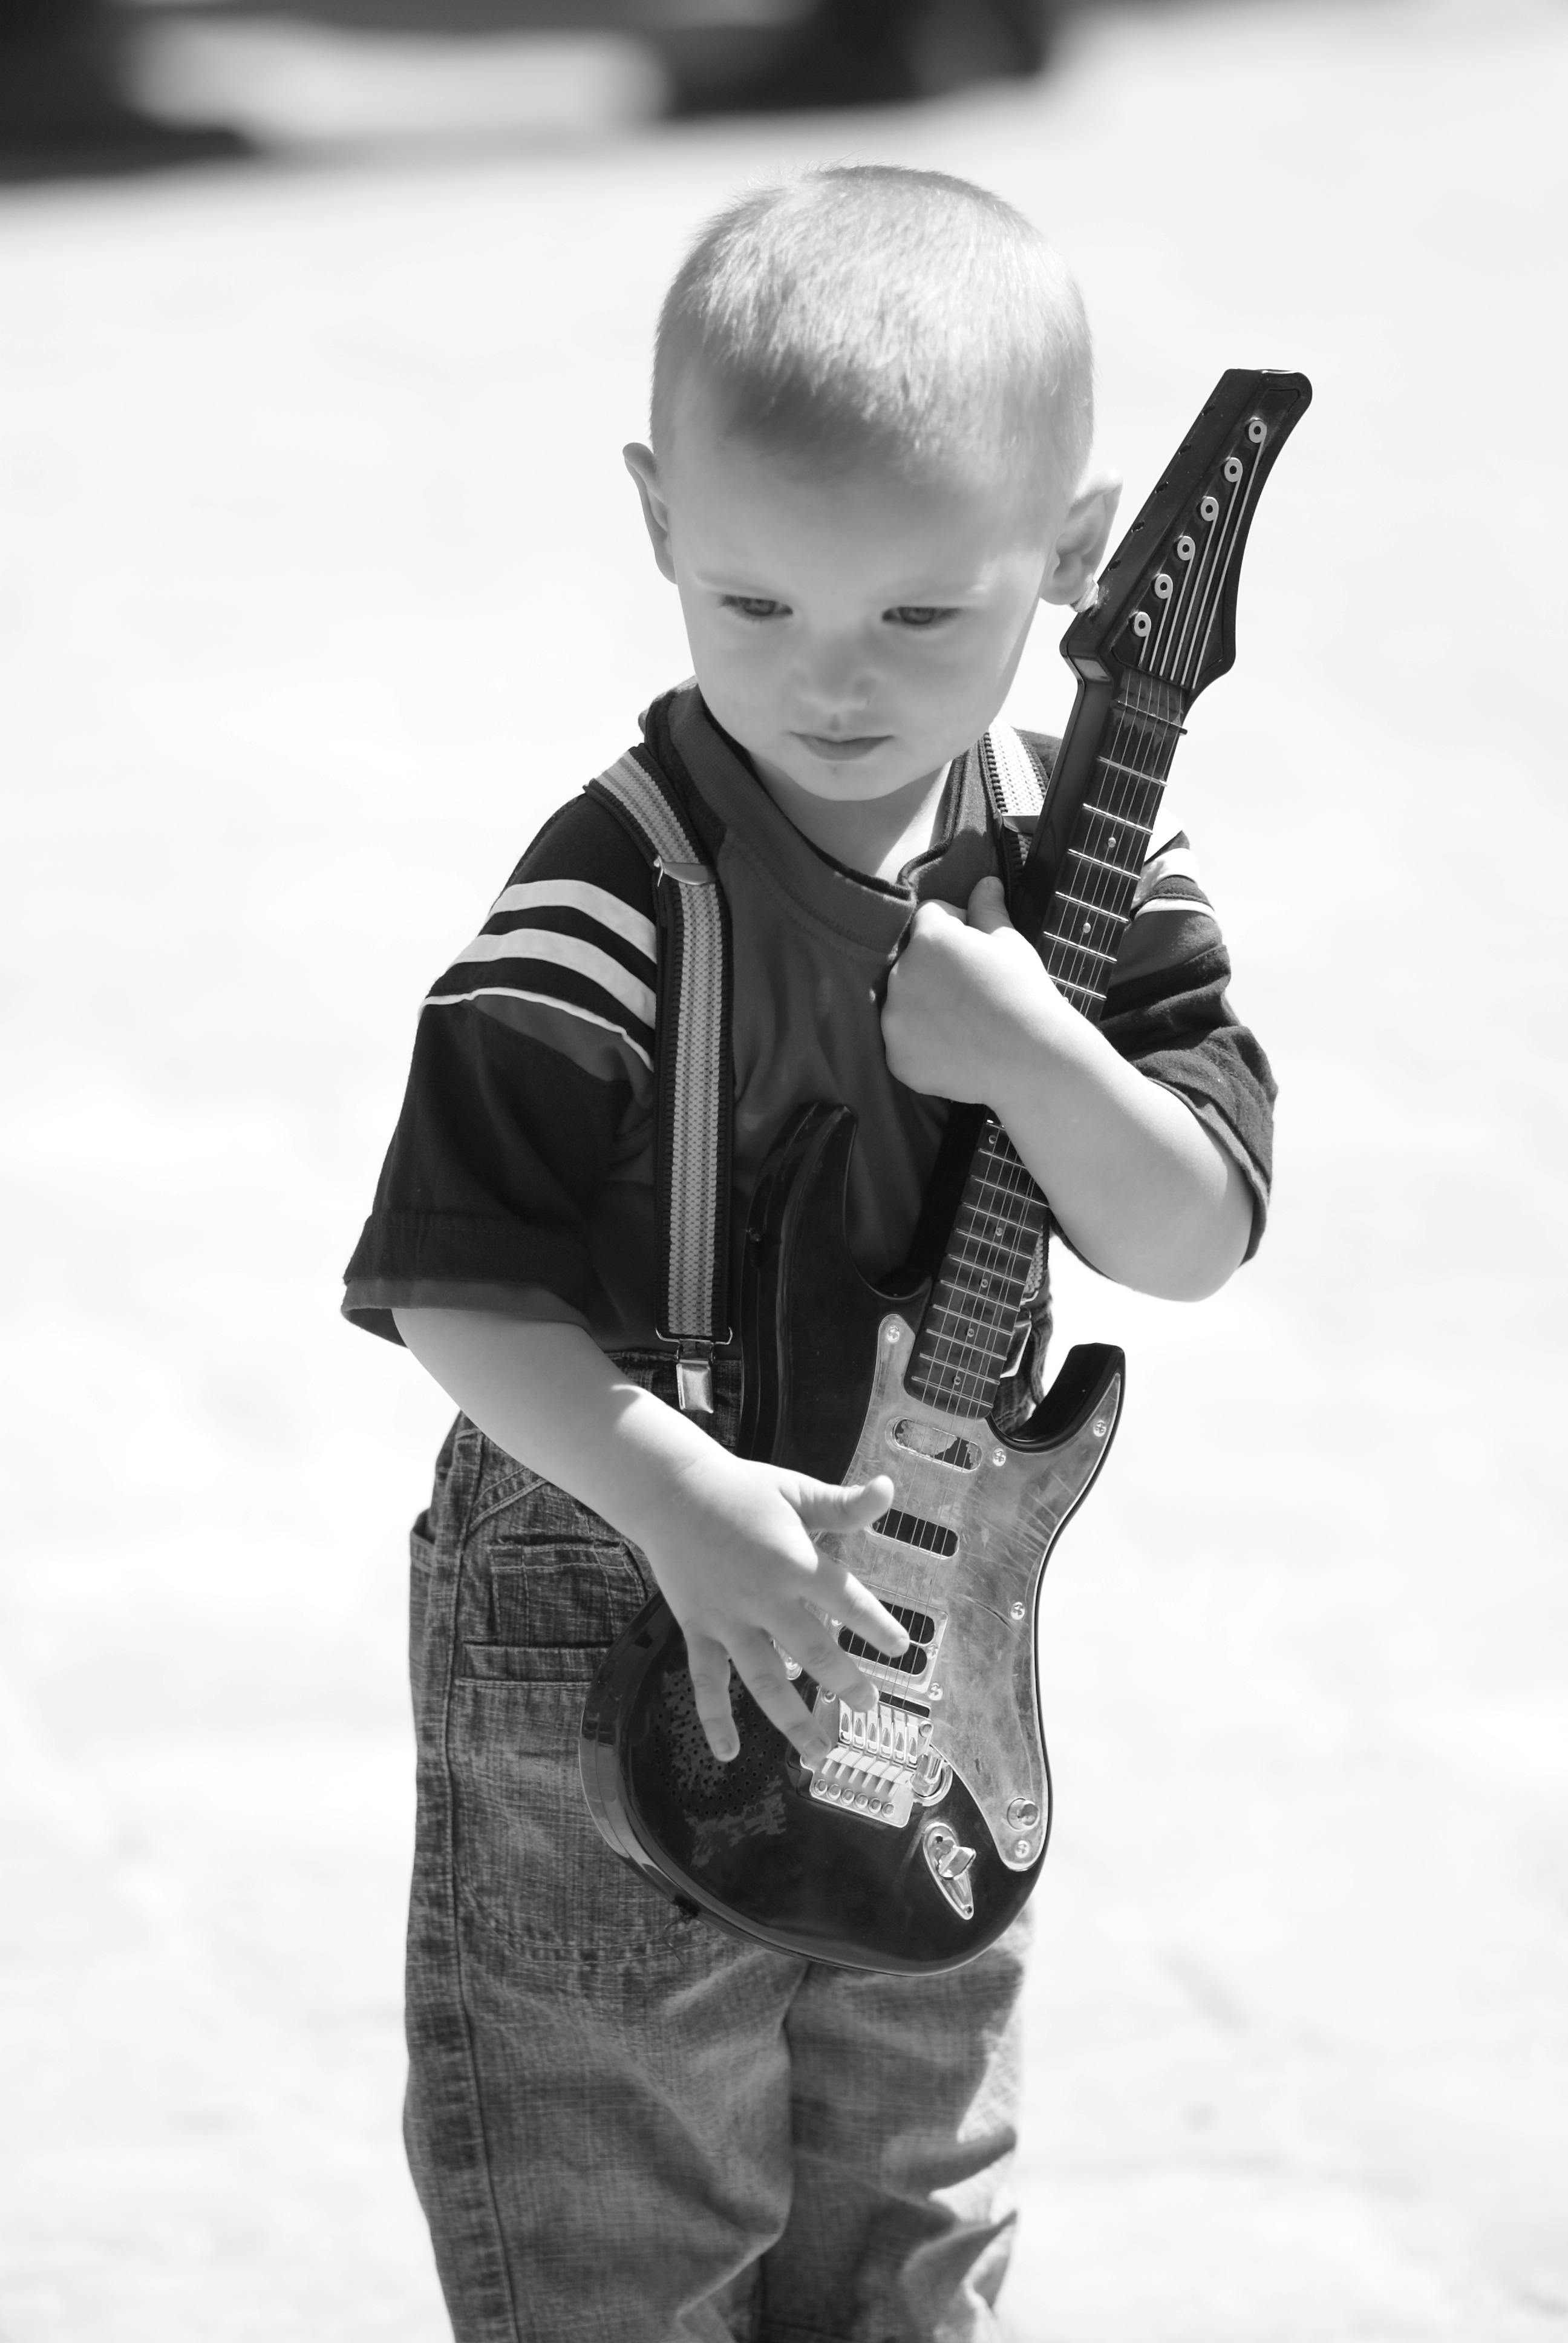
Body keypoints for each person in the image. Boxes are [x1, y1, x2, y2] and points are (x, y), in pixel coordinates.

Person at [342, 165, 1275, 2343]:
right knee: (625, 2219)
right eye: (755, 609)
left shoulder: (1079, 856)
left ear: (1074, 552)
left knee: (914, 2202)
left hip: (932, 1638)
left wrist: (1039, 1049)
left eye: (920, 623)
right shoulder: (611, 892)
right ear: (661, 519)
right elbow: (453, 1284)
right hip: (609, 1593)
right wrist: (680, 1505)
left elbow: (1192, 1235)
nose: (832, 685)